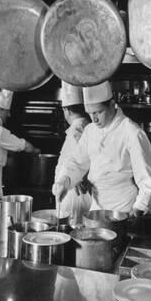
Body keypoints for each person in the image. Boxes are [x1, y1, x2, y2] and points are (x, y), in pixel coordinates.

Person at [52, 81, 151, 217]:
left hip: (123, 209)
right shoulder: (90, 131)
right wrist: (64, 181)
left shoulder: (132, 132)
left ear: (112, 104)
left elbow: (148, 180)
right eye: (90, 113)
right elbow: (77, 163)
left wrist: (140, 207)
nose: (94, 119)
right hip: (95, 209)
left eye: (98, 112)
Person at [54, 82, 92, 225]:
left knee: (73, 230)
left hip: (74, 194)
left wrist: (77, 179)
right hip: (73, 189)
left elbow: (80, 161)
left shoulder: (77, 130)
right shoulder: (86, 126)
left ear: (67, 110)